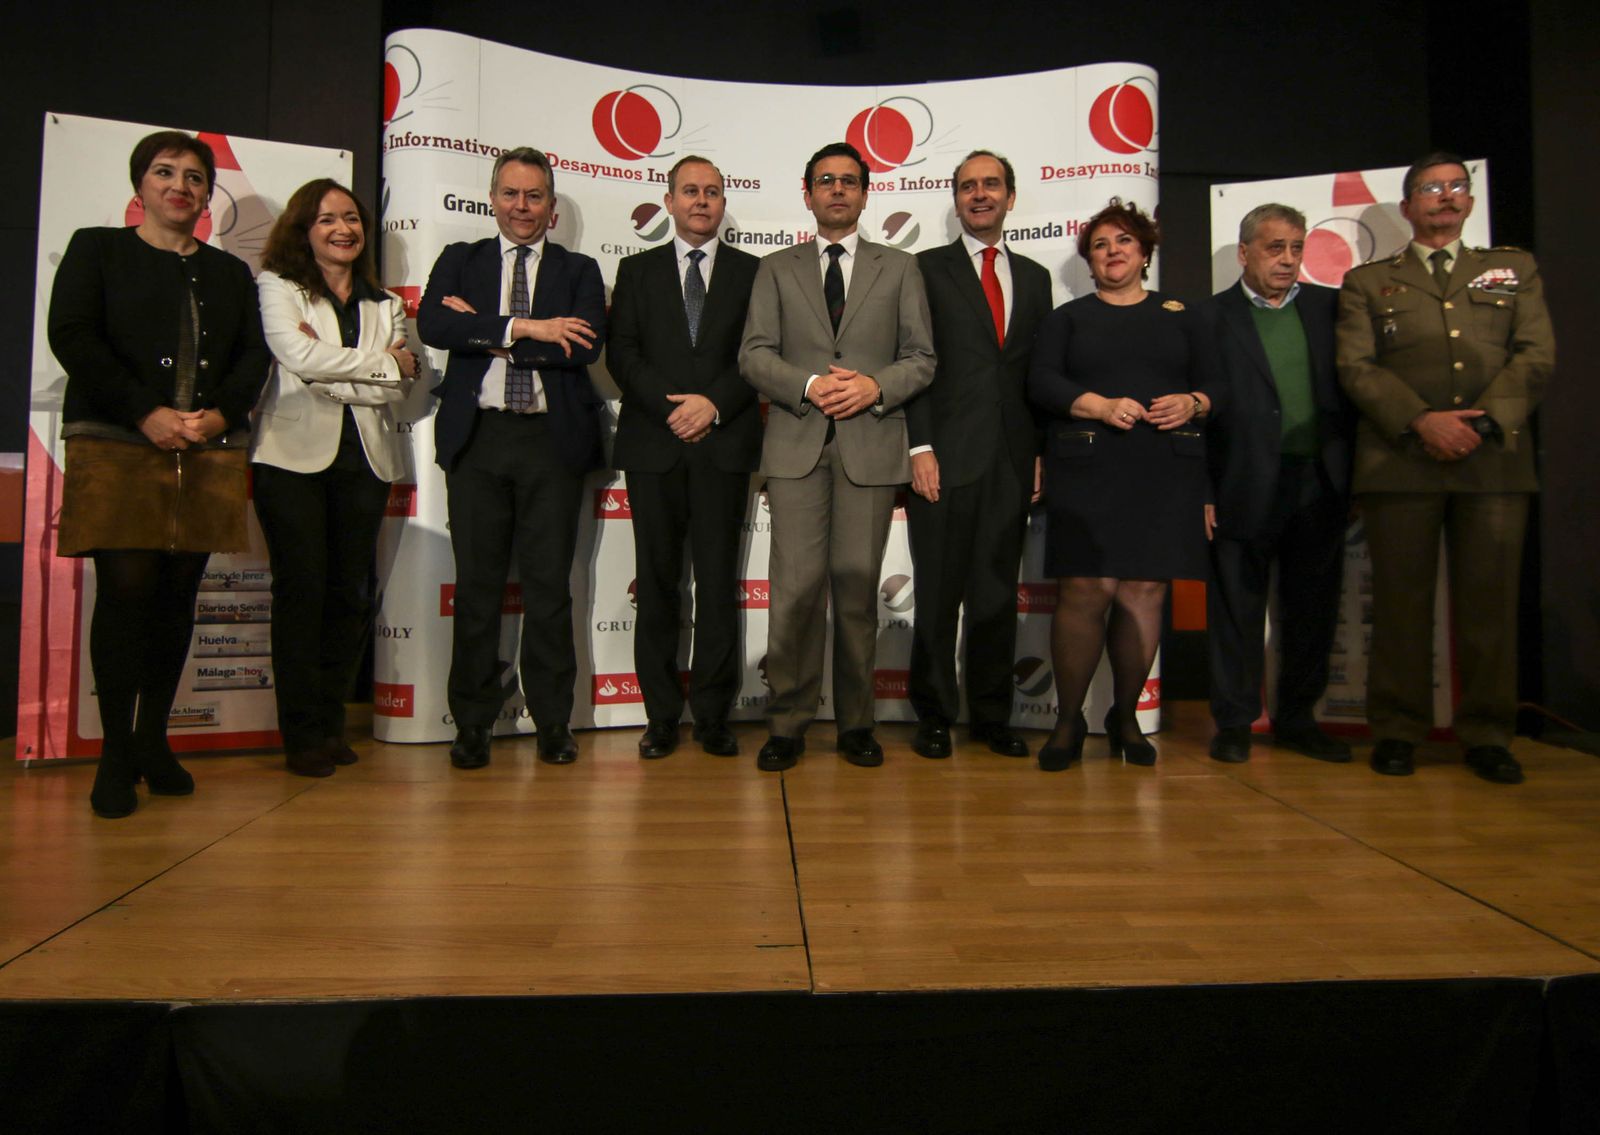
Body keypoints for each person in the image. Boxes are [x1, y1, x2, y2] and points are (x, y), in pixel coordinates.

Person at [47, 130, 269, 818]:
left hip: (205, 450)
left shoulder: (230, 273)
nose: (181, 184)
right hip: (118, 443)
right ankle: (114, 755)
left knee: (178, 597)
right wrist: (145, 412)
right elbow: (72, 334)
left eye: (196, 176)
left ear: (208, 194)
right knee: (124, 594)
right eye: (166, 171)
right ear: (141, 184)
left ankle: (151, 740)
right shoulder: (97, 249)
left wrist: (216, 415)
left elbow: (252, 358)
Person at [1337, 152, 1555, 784]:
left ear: (1468, 201)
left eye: (1457, 187)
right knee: (1401, 606)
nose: (1446, 196)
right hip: (1401, 459)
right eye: (1431, 188)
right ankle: (1397, 730)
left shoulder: (1511, 269)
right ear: (1407, 207)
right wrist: (1422, 421)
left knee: (1490, 606)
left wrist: (1484, 422)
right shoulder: (1368, 281)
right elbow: (1357, 366)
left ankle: (1487, 733)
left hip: (1493, 462)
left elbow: (1536, 353)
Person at [738, 141, 935, 772]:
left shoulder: (900, 268)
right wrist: (807, 386)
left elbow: (922, 358)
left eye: (849, 180)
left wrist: (876, 387)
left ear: (865, 191)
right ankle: (788, 722)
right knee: (794, 592)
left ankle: (856, 723)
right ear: (808, 192)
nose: (838, 190)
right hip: (797, 444)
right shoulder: (775, 268)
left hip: (870, 448)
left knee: (855, 590)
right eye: (826, 180)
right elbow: (753, 355)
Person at [417, 147, 606, 769]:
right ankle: (471, 724)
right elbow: (435, 329)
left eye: (534, 197)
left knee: (550, 588)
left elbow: (581, 348)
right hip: (479, 441)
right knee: (477, 589)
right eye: (510, 194)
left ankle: (554, 721)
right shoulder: (459, 261)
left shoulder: (579, 270)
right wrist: (527, 328)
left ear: (551, 208)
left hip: (550, 443)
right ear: (492, 198)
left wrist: (487, 332)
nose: (521, 207)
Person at [1026, 199, 1218, 771]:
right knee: (1085, 592)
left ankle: (1127, 717)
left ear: (1145, 253)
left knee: (1144, 592)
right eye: (1102, 244)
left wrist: (1195, 401)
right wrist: (1100, 406)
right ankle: (1067, 720)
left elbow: (1218, 387)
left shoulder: (1186, 316)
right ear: (1089, 257)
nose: (1113, 251)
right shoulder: (1068, 319)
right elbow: (1040, 382)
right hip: (1087, 469)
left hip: (1164, 471)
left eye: (1124, 242)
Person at [253, 180, 417, 777]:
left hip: (366, 463)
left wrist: (345, 371)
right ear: (305, 229)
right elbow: (298, 359)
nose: (343, 229)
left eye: (352, 218)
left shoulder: (386, 303)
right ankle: (300, 736)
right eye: (327, 219)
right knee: (301, 595)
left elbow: (401, 383)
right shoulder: (278, 286)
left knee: (349, 598)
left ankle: (329, 723)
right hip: (290, 461)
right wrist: (376, 367)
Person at [607, 156, 760, 759]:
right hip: (655, 445)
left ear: (724, 203)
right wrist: (673, 408)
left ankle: (715, 716)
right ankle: (662, 717)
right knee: (660, 585)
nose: (702, 201)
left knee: (720, 585)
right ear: (668, 202)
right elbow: (622, 353)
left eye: (713, 192)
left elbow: (759, 352)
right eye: (690, 191)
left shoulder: (755, 272)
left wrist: (713, 405)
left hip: (723, 446)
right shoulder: (636, 269)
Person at [906, 150, 1051, 760]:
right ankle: (935, 715)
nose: (980, 194)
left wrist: (1039, 452)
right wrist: (919, 444)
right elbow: (911, 361)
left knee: (996, 595)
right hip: (942, 455)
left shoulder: (1038, 278)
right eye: (968, 186)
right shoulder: (924, 269)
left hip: (1011, 460)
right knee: (938, 595)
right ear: (956, 200)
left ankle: (992, 716)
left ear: (1011, 197)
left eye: (991, 184)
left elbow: (1038, 375)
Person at [1202, 204, 1354, 765]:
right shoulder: (1210, 317)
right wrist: (1205, 490)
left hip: (1319, 481)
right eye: (1274, 248)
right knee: (1237, 611)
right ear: (1244, 253)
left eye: (1295, 247)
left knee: (1312, 609)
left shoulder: (1331, 308)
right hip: (1241, 482)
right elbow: (1198, 414)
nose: (1287, 259)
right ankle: (1235, 722)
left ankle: (1297, 720)